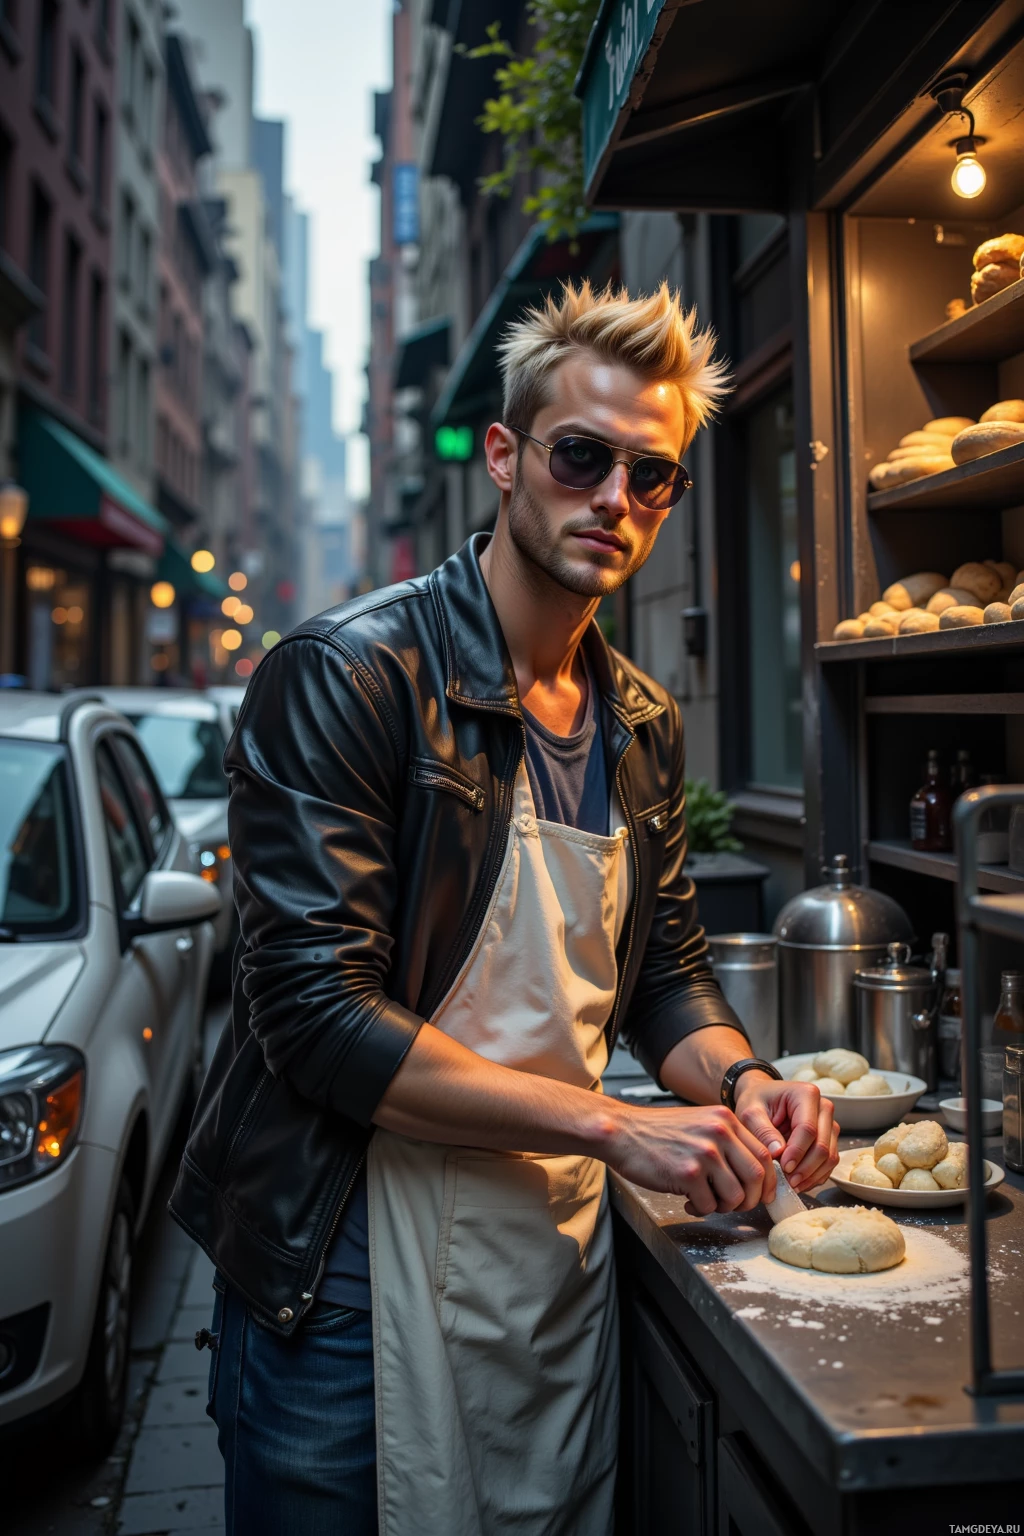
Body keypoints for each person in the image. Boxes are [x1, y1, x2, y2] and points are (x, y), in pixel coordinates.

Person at [170, 281, 839, 1536]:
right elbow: (313, 1016)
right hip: (341, 1285)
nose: (616, 501)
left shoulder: (641, 717)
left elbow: (660, 976)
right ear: (504, 455)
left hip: (548, 1258)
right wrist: (610, 1127)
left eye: (655, 478)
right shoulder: (348, 675)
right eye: (583, 456)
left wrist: (743, 1079)